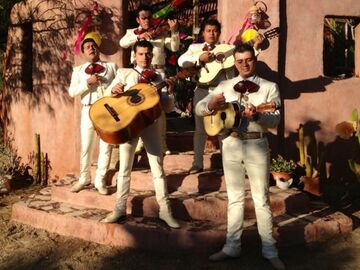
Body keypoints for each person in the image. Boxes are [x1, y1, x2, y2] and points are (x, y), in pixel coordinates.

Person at [195, 44, 285, 270]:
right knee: (234, 198)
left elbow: (275, 120)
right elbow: (199, 108)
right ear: (234, 62)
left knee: (261, 199)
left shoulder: (269, 87)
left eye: (248, 59)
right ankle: (232, 246)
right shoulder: (225, 85)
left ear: (255, 59)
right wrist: (210, 105)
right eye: (239, 61)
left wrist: (258, 117)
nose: (244, 64)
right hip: (231, 143)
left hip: (257, 143)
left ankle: (269, 250)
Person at [101, 40, 180, 229]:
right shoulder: (123, 73)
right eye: (141, 54)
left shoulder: (159, 76)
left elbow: (167, 108)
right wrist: (114, 90)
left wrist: (169, 92)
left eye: (148, 54)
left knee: (158, 168)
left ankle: (165, 211)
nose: (144, 57)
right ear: (134, 56)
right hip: (129, 125)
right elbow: (106, 96)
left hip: (151, 125)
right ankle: (119, 209)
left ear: (152, 55)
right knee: (124, 168)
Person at [119, 4, 180, 155]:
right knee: (139, 107)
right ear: (138, 19)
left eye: (149, 18)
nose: (146, 21)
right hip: (138, 73)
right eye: (143, 18)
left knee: (159, 109)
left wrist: (174, 32)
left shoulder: (160, 33)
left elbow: (175, 47)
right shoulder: (131, 33)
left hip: (158, 72)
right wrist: (139, 36)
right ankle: (140, 142)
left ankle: (162, 142)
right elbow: (122, 43)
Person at [68, 32, 118, 195]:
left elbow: (118, 85)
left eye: (93, 46)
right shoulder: (78, 71)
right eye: (87, 47)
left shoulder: (111, 67)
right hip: (87, 109)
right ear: (83, 52)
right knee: (86, 146)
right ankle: (84, 178)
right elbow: (72, 92)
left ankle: (100, 180)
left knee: (106, 146)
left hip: (106, 110)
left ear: (98, 49)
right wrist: (86, 83)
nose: (91, 49)